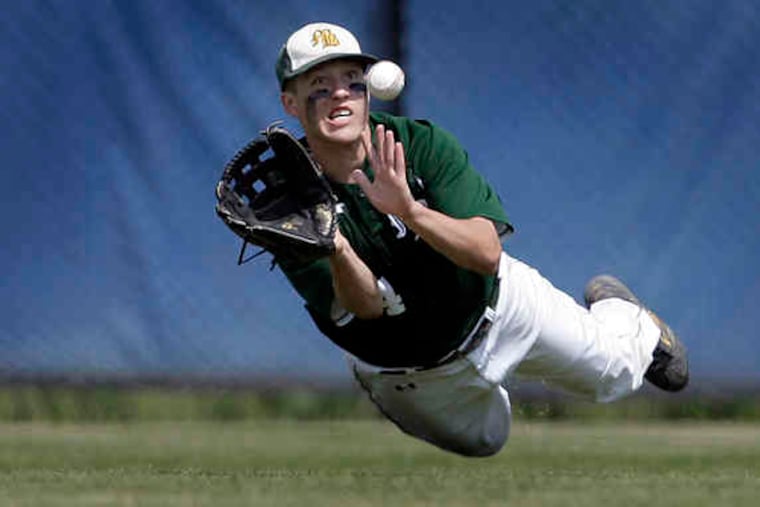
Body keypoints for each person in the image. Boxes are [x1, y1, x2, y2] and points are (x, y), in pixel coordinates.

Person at [272, 21, 688, 457]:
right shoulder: (289, 201)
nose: (340, 94)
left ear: (368, 92)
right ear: (291, 103)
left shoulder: (418, 146)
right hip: (411, 371)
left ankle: (624, 315)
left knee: (615, 374)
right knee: (486, 441)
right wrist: (335, 244)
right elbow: (365, 307)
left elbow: (487, 254)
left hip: (500, 306)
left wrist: (410, 212)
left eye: (352, 82)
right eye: (320, 85)